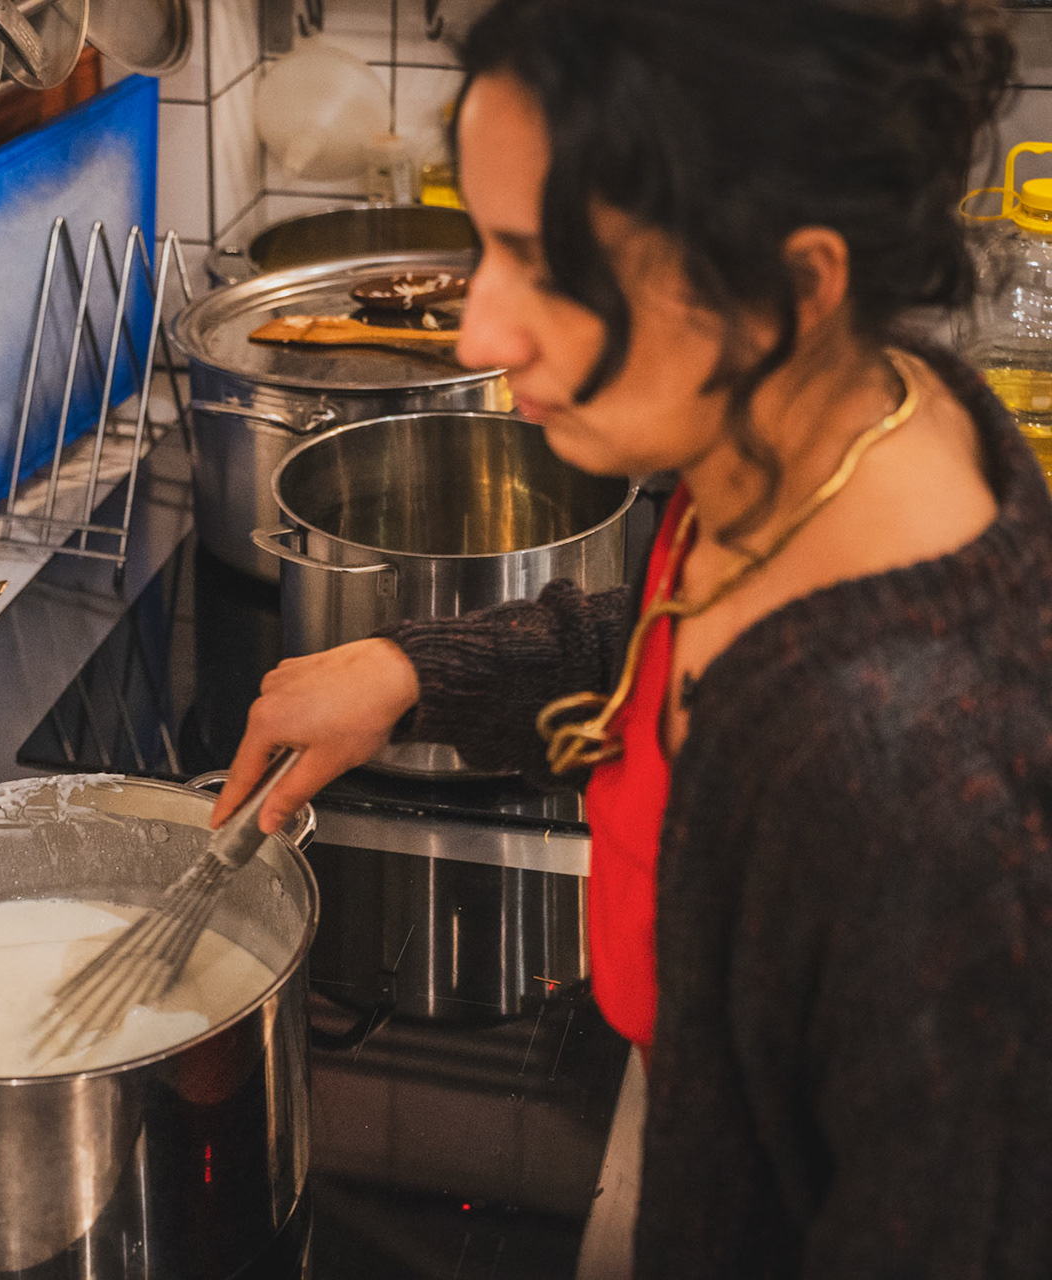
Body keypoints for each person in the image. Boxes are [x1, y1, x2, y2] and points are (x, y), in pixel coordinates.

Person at [209, 0, 1052, 1273]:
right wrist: (412, 669)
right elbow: (688, 644)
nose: (479, 334)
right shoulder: (840, 419)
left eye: (552, 269)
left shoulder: (920, 792)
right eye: (488, 248)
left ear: (794, 284)